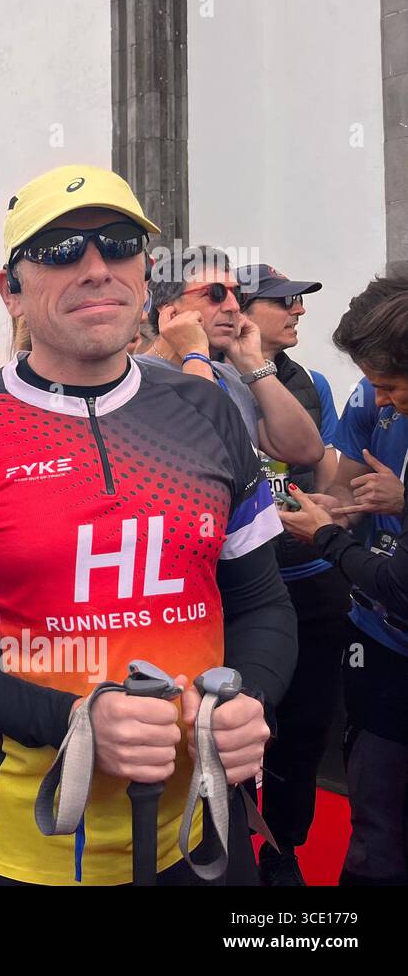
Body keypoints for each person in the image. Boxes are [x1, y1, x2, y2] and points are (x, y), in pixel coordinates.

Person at [0, 164, 296, 886]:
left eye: (118, 242)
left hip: (198, 834)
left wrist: (248, 695)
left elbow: (261, 600)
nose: (96, 267)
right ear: (11, 289)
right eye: (61, 250)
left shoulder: (208, 409)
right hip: (21, 841)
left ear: (147, 269)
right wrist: (73, 722)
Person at [280, 275, 408, 886]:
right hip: (376, 632)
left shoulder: (310, 383)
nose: (381, 399)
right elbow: (344, 473)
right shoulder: (364, 397)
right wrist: (338, 507)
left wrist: (398, 503)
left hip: (374, 589)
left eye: (389, 385)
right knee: (374, 812)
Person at [231, 264, 348, 886]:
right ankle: (224, 842)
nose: (298, 310)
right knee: (239, 724)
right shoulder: (211, 382)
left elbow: (323, 469)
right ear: (244, 311)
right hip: (240, 591)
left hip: (312, 576)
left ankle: (285, 849)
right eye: (284, 301)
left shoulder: (313, 382)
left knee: (305, 728)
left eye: (300, 299)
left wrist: (328, 506)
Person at [141, 247, 325, 467]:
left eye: (236, 294)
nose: (233, 306)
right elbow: (212, 455)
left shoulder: (228, 376)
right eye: (216, 293)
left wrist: (251, 363)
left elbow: (307, 450)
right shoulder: (135, 377)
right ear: (169, 310)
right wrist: (195, 354)